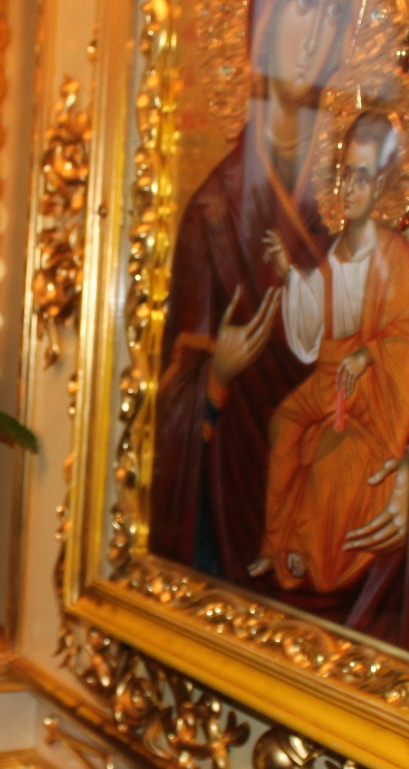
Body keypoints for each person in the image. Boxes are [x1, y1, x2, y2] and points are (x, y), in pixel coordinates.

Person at [151, 0, 353, 587]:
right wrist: (216, 374)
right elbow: (166, 415)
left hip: (334, 514)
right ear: (262, 29)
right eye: (303, 9)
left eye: (333, 16)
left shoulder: (356, 198)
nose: (314, 37)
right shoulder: (213, 216)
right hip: (235, 516)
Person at [246, 112, 409, 605]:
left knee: (332, 454)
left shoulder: (393, 255)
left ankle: (305, 552)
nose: (351, 188)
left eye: (363, 178)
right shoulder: (335, 250)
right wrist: (291, 273)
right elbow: (315, 325)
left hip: (367, 390)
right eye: (346, 174)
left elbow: (406, 337)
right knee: (284, 423)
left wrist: (366, 356)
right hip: (328, 378)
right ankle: (273, 543)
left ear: (382, 186)